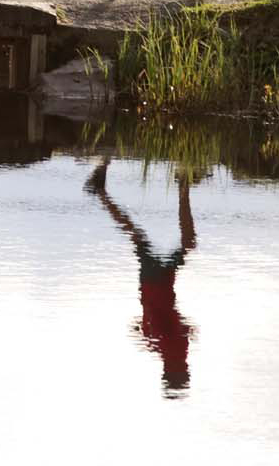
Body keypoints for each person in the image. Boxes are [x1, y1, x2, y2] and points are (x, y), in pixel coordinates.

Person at [86, 159, 198, 395]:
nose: (187, 370)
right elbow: (152, 330)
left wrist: (184, 329)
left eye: (184, 374)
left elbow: (162, 329)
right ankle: (102, 193)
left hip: (158, 283)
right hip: (155, 285)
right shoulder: (166, 353)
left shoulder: (171, 352)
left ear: (176, 372)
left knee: (184, 242)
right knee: (138, 235)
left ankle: (183, 186)